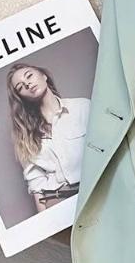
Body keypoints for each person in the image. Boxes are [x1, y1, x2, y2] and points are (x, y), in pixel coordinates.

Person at [7, 62, 90, 213]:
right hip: (57, 201)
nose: (27, 84)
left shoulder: (83, 107)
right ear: (21, 97)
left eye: (29, 76)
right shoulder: (25, 133)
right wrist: (45, 220)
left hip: (93, 191)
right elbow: (36, 182)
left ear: (44, 75)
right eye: (20, 87)